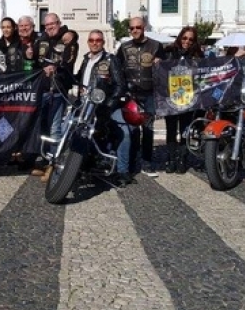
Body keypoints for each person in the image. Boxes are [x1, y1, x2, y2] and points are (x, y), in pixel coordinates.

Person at [68, 30, 132, 185]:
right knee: (72, 129)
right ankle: (75, 167)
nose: (94, 43)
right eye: (91, 40)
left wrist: (108, 105)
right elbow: (79, 78)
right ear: (88, 42)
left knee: (125, 133)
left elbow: (120, 86)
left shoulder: (111, 60)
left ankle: (123, 171)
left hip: (106, 105)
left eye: (98, 40)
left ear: (103, 42)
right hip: (85, 105)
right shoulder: (86, 60)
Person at [31, 12, 79, 178]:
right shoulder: (41, 39)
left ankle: (55, 164)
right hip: (42, 89)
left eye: (52, 24)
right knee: (43, 127)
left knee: (55, 128)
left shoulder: (68, 39)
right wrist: (28, 54)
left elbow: (68, 62)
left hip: (58, 90)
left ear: (59, 23)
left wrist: (56, 68)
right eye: (47, 25)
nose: (49, 27)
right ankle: (45, 161)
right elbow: (34, 59)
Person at [115, 16, 163, 176]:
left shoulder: (156, 46)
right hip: (131, 94)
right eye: (132, 28)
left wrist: (160, 63)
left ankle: (147, 161)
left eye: (138, 27)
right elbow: (116, 68)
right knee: (132, 128)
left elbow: (165, 68)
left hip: (149, 92)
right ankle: (133, 160)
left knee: (148, 128)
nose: (135, 30)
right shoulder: (123, 47)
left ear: (144, 28)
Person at [160, 26, 205, 174]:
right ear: (180, 38)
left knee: (185, 130)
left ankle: (182, 160)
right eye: (185, 38)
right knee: (171, 130)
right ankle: (170, 159)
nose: (187, 41)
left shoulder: (198, 56)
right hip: (170, 98)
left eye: (191, 39)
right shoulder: (168, 52)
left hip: (188, 99)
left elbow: (203, 76)